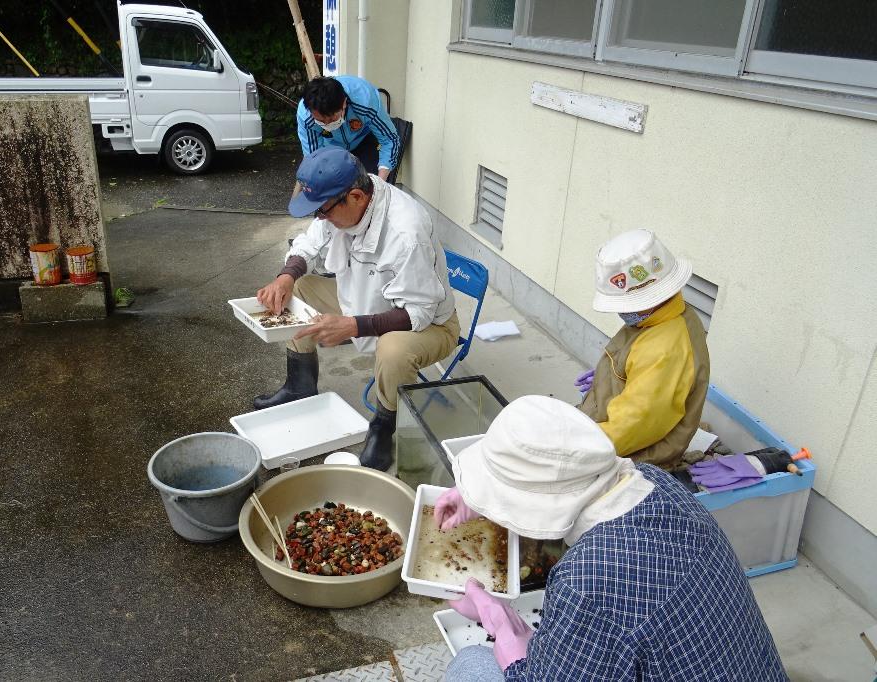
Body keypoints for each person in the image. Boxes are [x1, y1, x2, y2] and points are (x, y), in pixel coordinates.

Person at [435, 395, 788, 682]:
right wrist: (477, 497)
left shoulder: (587, 581)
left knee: (473, 664)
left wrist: (506, 637)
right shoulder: (656, 482)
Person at [253, 147, 458, 470]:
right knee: (301, 290)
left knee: (392, 349)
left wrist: (352, 326)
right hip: (365, 299)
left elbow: (418, 312)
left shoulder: (406, 232)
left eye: (323, 211)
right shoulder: (340, 203)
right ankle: (299, 386)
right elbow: (310, 243)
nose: (320, 217)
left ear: (358, 197)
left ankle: (383, 428)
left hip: (431, 324)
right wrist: (285, 277)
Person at [575, 229, 710, 471]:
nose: (623, 312)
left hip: (633, 456)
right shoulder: (664, 314)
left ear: (649, 298)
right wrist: (607, 380)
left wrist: (575, 449)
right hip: (616, 433)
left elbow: (630, 426)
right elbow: (638, 369)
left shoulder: (664, 350)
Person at [297, 76, 400, 182]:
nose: (327, 124)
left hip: (364, 139)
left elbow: (389, 140)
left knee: (369, 186)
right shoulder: (306, 115)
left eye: (332, 119)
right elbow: (313, 158)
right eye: (321, 121)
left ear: (344, 103)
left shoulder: (365, 100)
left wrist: (381, 182)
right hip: (331, 147)